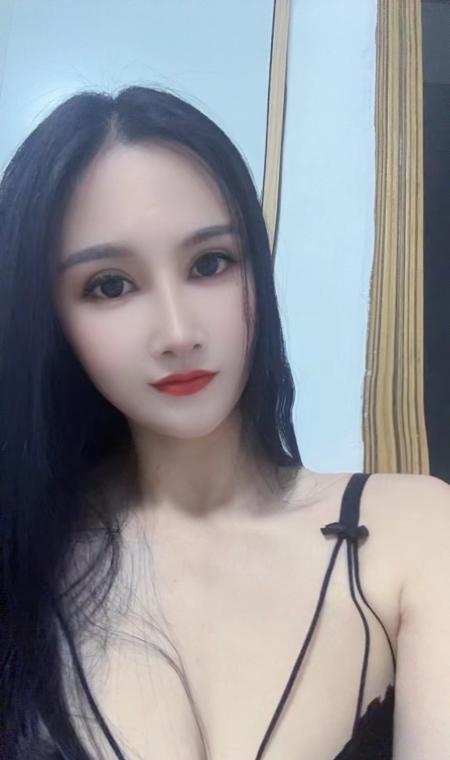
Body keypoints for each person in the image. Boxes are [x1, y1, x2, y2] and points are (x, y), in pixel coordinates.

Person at [1, 85, 449, 760]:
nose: (178, 333)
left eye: (209, 264)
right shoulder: (23, 561)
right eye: (110, 285)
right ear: (50, 320)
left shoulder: (413, 531)